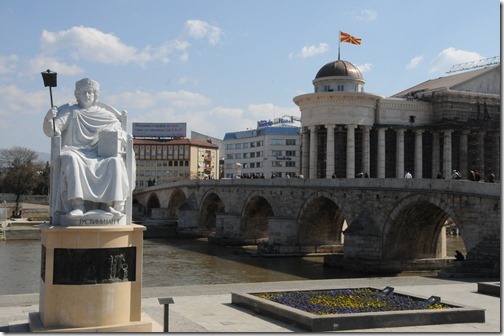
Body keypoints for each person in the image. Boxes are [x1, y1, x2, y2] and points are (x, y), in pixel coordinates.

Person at [43, 78, 131, 220]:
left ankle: (108, 204)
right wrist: (48, 119)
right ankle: (78, 205)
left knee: (114, 161)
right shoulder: (70, 112)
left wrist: (122, 135)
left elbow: (120, 131)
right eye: (83, 92)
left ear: (96, 95)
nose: (87, 95)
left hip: (99, 155)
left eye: (90, 92)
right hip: (76, 151)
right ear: (77, 94)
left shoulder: (105, 115)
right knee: (71, 158)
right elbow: (53, 131)